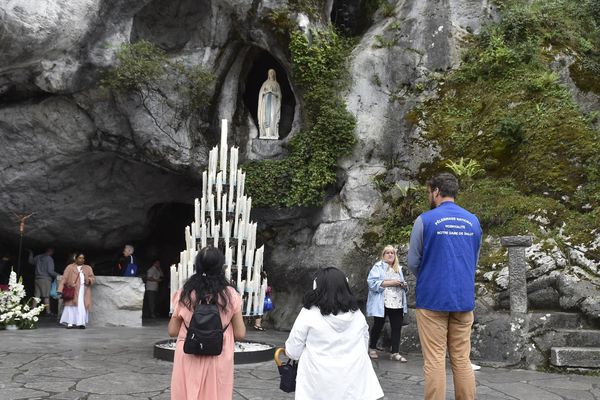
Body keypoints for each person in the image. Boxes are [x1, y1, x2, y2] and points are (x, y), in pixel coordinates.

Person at [407, 172, 482, 400]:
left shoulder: (425, 220)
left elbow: (412, 262)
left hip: (432, 300)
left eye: (430, 192)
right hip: (463, 300)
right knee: (461, 358)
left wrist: (429, 275)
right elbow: (474, 259)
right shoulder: (473, 221)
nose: (430, 196)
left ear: (437, 191)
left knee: (435, 359)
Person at [285, 267, 384, 400]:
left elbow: (293, 351)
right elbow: (364, 343)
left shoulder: (309, 313)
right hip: (354, 382)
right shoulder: (357, 314)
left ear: (317, 286)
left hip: (317, 383)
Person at [168, 246, 246, 400]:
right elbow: (240, 334)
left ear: (198, 265)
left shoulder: (185, 293)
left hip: (189, 353)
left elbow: (172, 331)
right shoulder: (230, 295)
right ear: (220, 266)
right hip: (219, 356)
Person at [366, 245, 409, 361]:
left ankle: (395, 352)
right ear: (383, 255)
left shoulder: (398, 268)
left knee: (396, 327)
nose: (390, 255)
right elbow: (372, 283)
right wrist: (392, 282)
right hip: (383, 302)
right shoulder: (378, 267)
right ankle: (372, 348)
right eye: (387, 253)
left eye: (392, 253)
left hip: (397, 302)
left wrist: (403, 285)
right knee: (378, 325)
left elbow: (403, 286)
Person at [58, 252, 96, 329]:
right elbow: (64, 278)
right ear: (75, 258)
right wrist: (60, 289)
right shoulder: (70, 267)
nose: (82, 260)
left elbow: (93, 278)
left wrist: (88, 280)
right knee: (71, 306)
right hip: (73, 289)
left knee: (82, 306)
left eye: (83, 258)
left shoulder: (88, 268)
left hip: (84, 290)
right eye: (80, 258)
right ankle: (70, 323)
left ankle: (81, 323)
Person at [28, 248, 57, 315]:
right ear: (51, 251)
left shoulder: (38, 257)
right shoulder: (49, 259)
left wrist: (31, 253)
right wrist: (59, 275)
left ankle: (32, 311)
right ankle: (48, 311)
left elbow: (30, 261)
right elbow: (50, 271)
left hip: (37, 279)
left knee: (36, 296)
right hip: (45, 279)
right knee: (46, 296)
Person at [257, 68, 281, 139]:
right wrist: (267, 92)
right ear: (268, 74)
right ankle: (266, 133)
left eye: (273, 73)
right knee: (265, 117)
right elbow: (261, 93)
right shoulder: (265, 83)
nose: (271, 74)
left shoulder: (276, 84)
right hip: (266, 102)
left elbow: (279, 95)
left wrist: (272, 92)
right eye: (270, 73)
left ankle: (272, 133)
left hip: (273, 103)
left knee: (272, 116)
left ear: (274, 74)